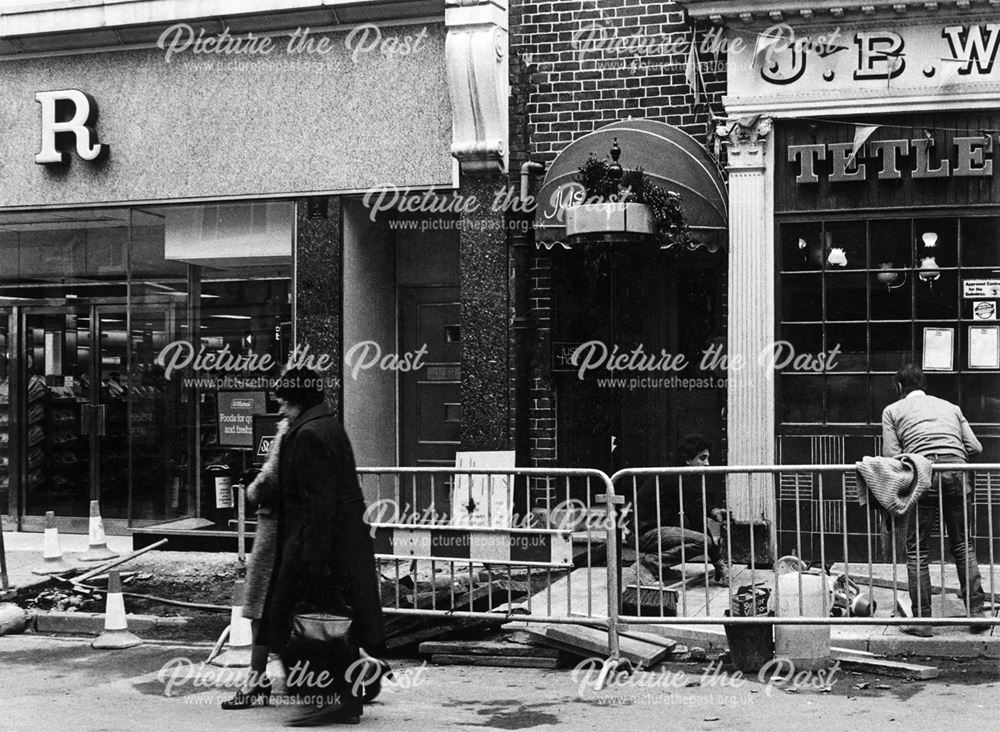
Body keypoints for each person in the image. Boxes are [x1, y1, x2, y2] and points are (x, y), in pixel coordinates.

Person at [223, 367, 385, 725]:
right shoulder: (326, 425)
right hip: (333, 544)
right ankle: (347, 688)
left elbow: (318, 503)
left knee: (316, 622)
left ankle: (340, 697)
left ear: (296, 400)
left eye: (282, 402)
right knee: (328, 621)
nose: (279, 409)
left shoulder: (307, 434)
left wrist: (313, 561)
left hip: (319, 547)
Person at [881, 363, 988, 637]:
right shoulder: (951, 407)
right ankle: (976, 612)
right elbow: (975, 446)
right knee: (963, 545)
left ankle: (923, 620)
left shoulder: (892, 411)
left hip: (923, 475)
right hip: (957, 473)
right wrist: (950, 454)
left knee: (917, 551)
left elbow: (892, 456)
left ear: (899, 388)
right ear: (924, 385)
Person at [628, 433, 729, 586]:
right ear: (687, 460)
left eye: (707, 458)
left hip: (647, 531)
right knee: (702, 541)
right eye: (702, 458)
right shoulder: (676, 479)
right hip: (644, 534)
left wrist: (713, 511)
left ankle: (660, 569)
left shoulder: (678, 476)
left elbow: (696, 512)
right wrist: (718, 562)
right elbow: (698, 521)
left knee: (690, 530)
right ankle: (648, 565)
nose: (708, 464)